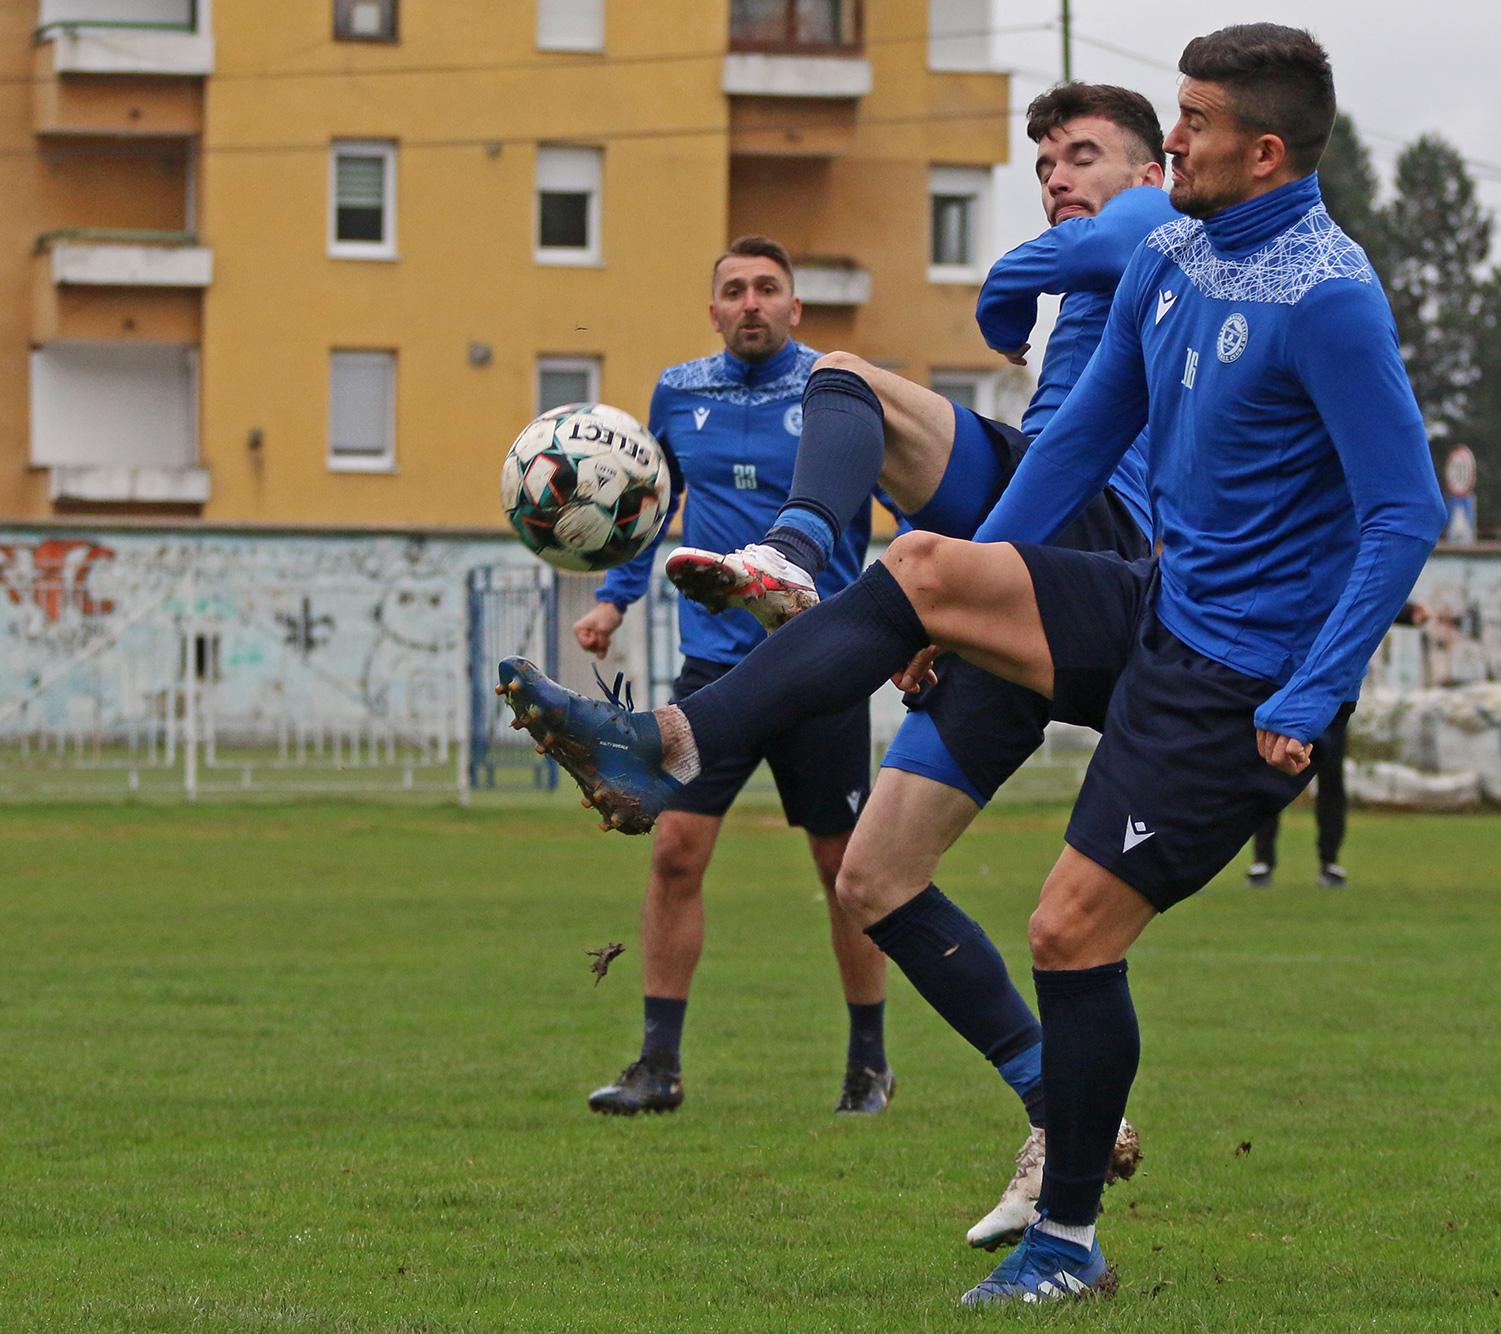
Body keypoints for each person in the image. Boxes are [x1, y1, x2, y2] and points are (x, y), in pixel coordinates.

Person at [494, 22, 1442, 1306]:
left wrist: (1314, 689)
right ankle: (672, 744)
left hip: (1236, 678)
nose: (1175, 144)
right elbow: (1079, 434)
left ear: (1261, 150)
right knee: (927, 571)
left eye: (1194, 125)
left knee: (1066, 931)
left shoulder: (1329, 293)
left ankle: (1067, 1242)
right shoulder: (1167, 252)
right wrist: (962, 593)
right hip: (1153, 599)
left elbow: (1403, 510)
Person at [664, 82, 1177, 1250]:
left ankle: (798, 565)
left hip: (1088, 536)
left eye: (1079, 153)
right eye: (1041, 158)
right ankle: (1057, 1104)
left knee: (841, 373)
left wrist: (1013, 284)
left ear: (1149, 169)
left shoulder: (1155, 227)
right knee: (873, 878)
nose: (1055, 174)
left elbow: (1023, 276)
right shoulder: (1098, 259)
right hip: (1018, 525)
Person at [567, 236, 893, 1118]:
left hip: (821, 662)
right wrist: (613, 601)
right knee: (675, 853)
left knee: (844, 870)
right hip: (713, 668)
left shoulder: (837, 391)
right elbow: (645, 511)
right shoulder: (678, 392)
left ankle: (869, 1064)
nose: (751, 302)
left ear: (796, 308)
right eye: (734, 290)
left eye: (768, 289)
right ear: (713, 310)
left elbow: (914, 504)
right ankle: (657, 1068)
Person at [1246, 601, 1427, 888]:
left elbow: (1363, 598)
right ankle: (1262, 860)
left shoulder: (1330, 575)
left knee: (1330, 778)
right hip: (1284, 688)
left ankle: (1329, 862)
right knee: (1271, 771)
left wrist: (1406, 613)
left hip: (1329, 697)